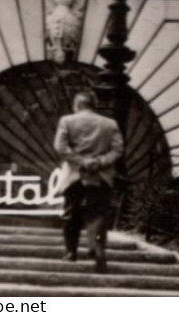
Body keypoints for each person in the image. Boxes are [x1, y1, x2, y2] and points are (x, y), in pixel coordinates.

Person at [53, 91, 124, 272]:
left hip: (75, 175)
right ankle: (95, 246)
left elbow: (60, 147)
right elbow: (117, 150)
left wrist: (80, 161)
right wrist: (99, 162)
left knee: (71, 213)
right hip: (100, 176)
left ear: (77, 105)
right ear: (95, 105)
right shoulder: (110, 124)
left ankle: (71, 253)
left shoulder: (67, 121)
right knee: (98, 214)